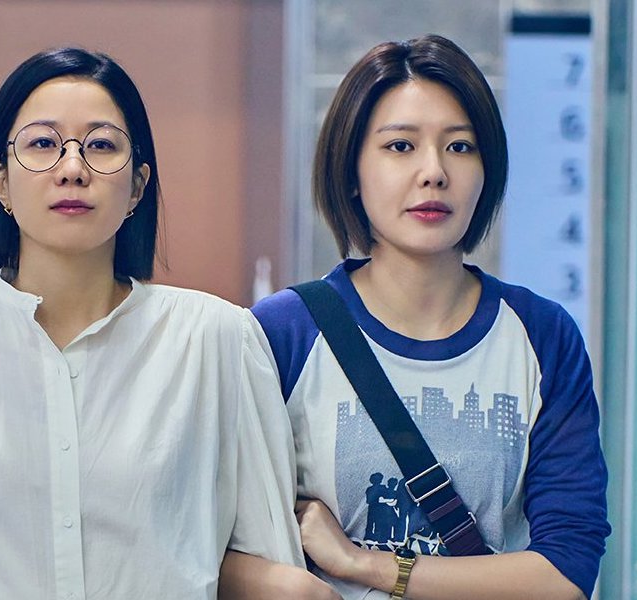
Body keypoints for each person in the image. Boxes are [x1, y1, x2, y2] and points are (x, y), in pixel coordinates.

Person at [0, 47, 310, 599]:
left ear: (138, 186)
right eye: (43, 144)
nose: (73, 169)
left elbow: (270, 567)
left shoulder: (218, 340)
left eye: (101, 145)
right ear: (0, 183)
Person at [247, 35, 611, 599]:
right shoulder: (282, 333)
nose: (434, 171)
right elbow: (212, 539)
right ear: (351, 171)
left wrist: (365, 565)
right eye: (400, 146)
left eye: (460, 147)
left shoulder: (542, 335)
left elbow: (566, 574)